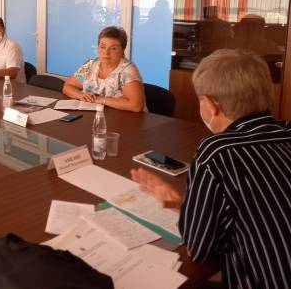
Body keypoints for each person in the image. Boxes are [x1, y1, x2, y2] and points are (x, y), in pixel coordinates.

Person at [132, 49, 291, 289]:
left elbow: (200, 248)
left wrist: (184, 208)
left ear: (212, 104)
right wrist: (187, 205)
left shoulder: (217, 151)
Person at [62, 26, 144, 112]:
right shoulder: (89, 65)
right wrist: (81, 95)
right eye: (103, 47)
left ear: (122, 50)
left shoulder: (128, 71)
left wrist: (98, 99)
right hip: (94, 115)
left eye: (113, 48)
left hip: (124, 118)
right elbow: (68, 86)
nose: (106, 52)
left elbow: (136, 106)